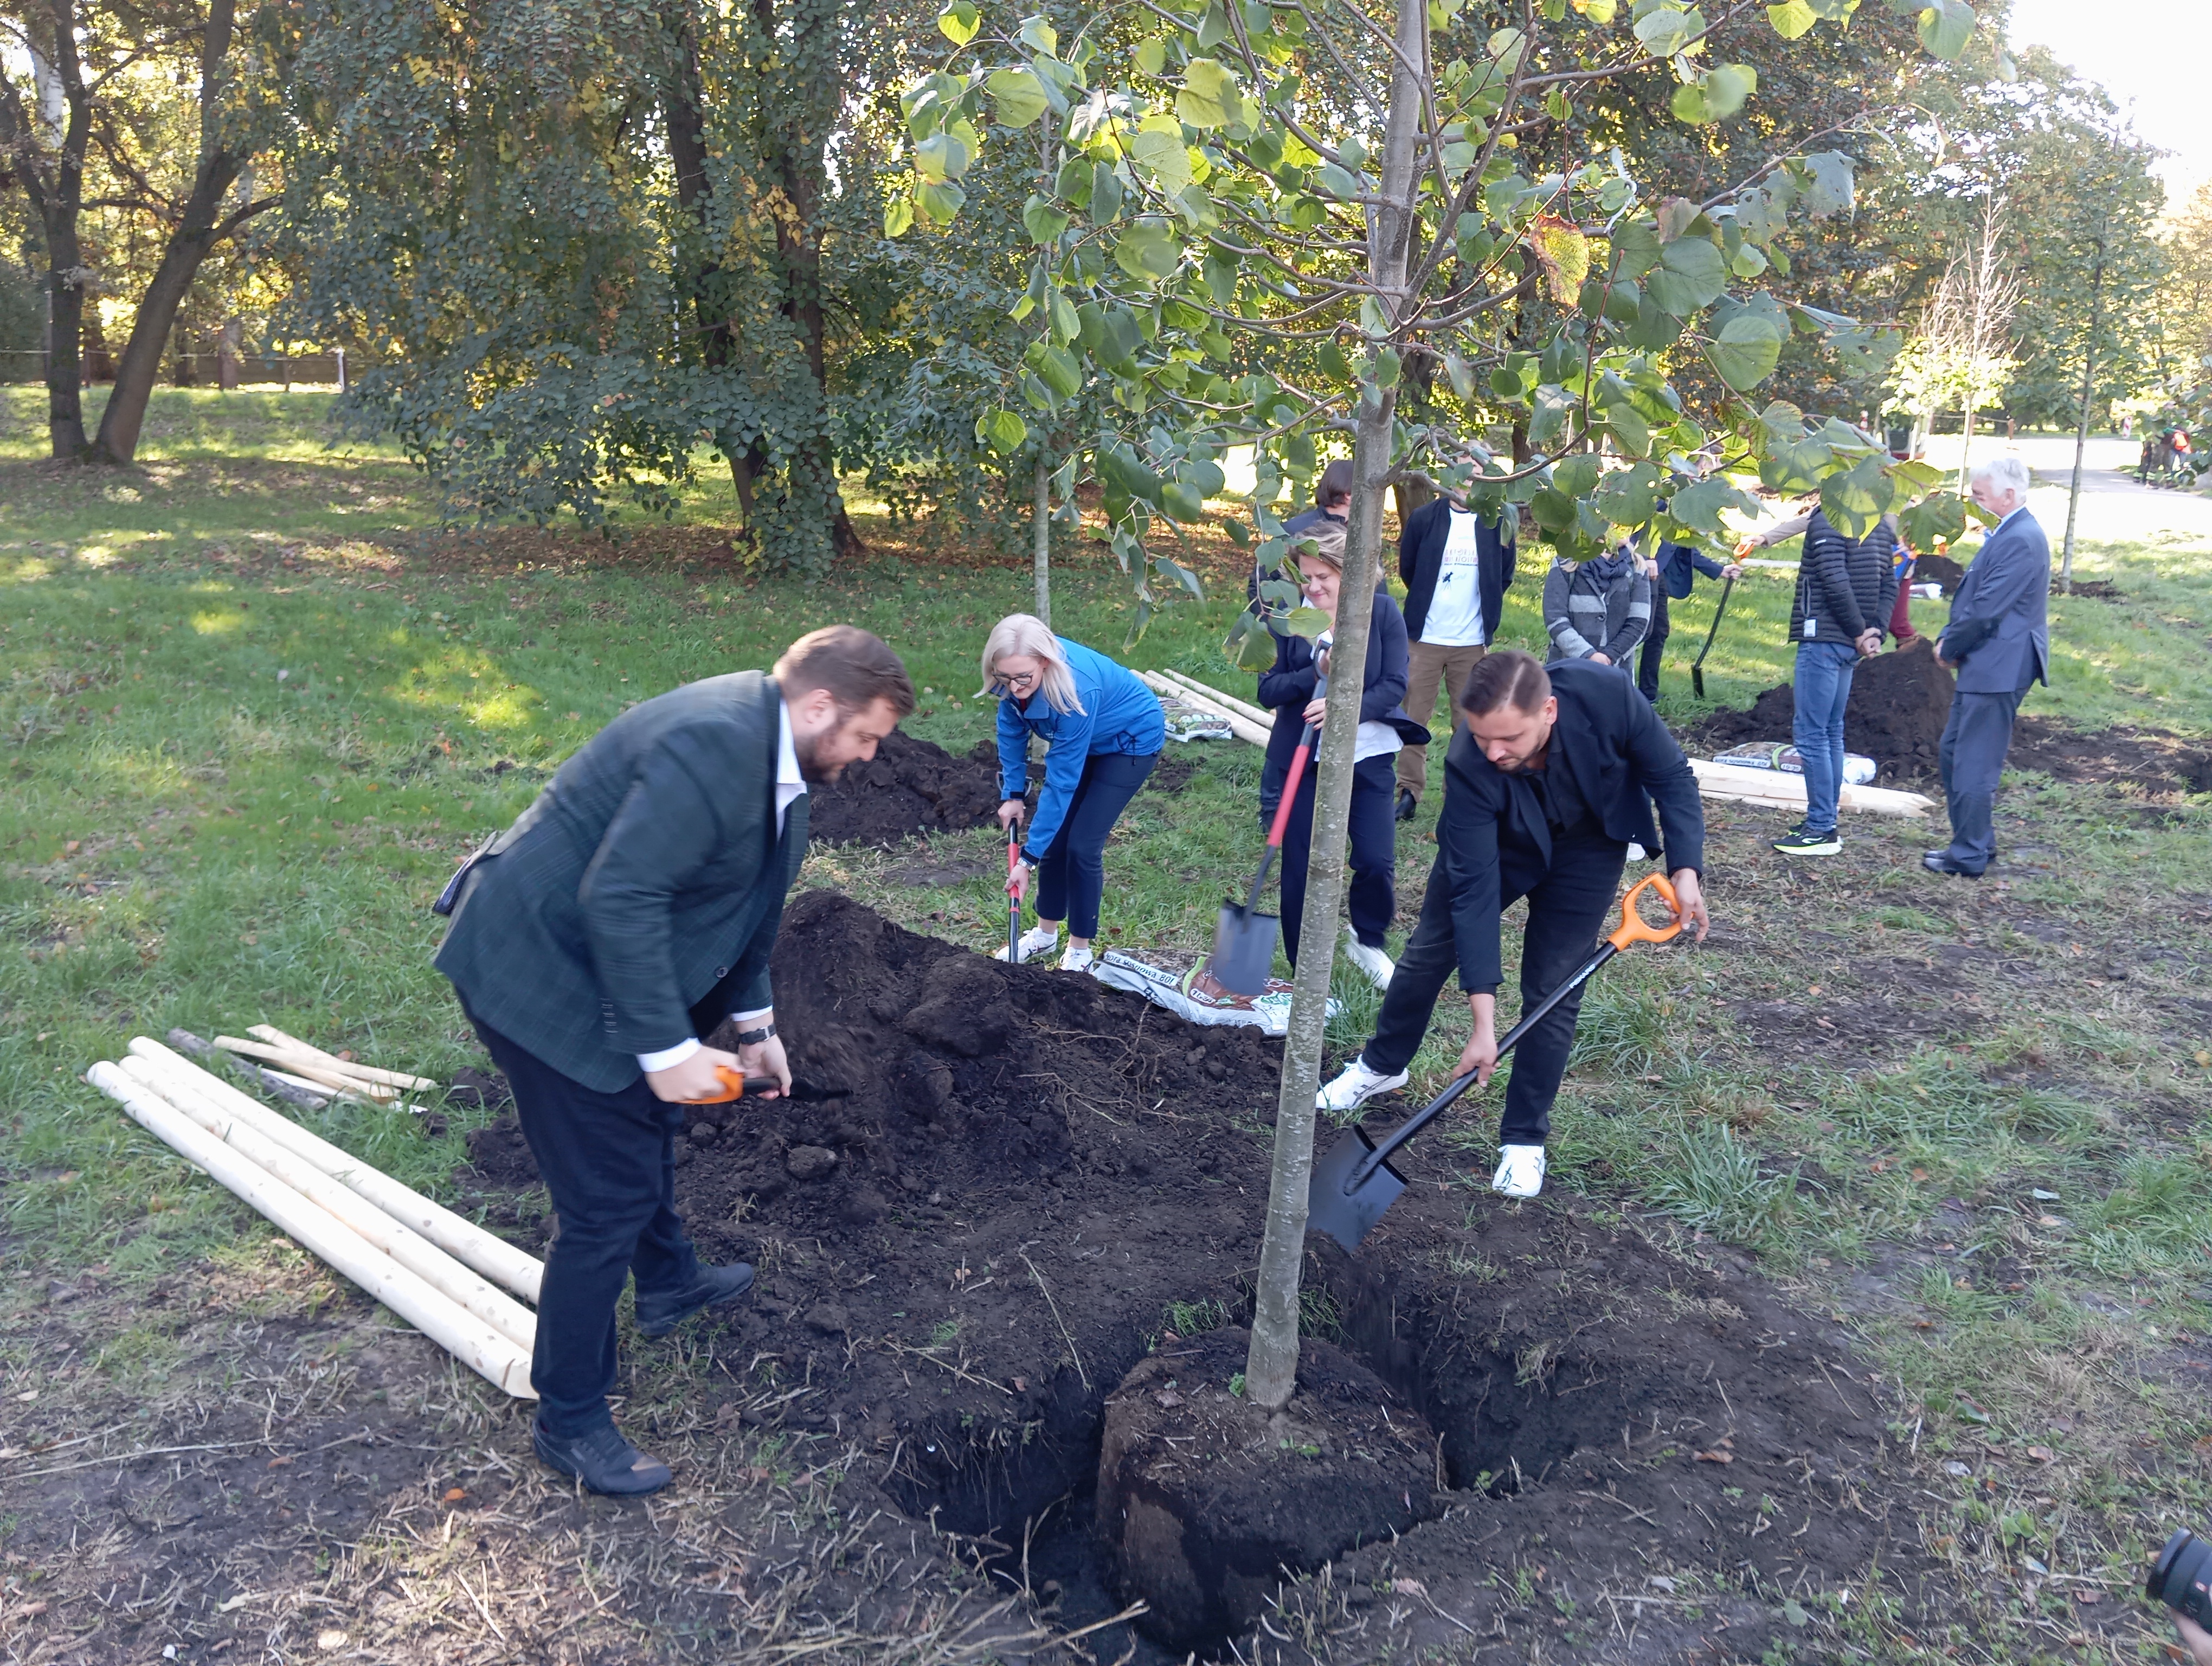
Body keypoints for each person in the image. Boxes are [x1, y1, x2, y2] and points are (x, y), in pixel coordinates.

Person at [433, 626, 914, 1495]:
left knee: (642, 1124)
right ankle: (570, 1417)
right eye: (868, 734)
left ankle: (669, 1284)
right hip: (535, 968)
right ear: (818, 707)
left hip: (590, 953)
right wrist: (663, 1050)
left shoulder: (783, 760)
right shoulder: (711, 746)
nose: (874, 754)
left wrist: (755, 1024)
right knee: (603, 1200)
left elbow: (754, 900)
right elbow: (621, 895)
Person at [1317, 650, 1707, 1197]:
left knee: (1556, 985)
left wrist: (1685, 869)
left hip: (1590, 847)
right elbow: (1474, 897)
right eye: (1482, 738)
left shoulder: (1608, 694)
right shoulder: (1470, 761)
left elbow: (1671, 776)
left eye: (1509, 740)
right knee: (1430, 951)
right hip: (1496, 847)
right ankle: (1383, 1065)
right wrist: (1483, 1024)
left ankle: (1524, 1140)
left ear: (1549, 710)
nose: (1494, 752)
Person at [1246, 522, 1422, 989]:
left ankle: (1367, 939)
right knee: (1299, 861)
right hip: (1302, 762)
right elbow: (1268, 690)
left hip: (1368, 757)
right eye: (1307, 575)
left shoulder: (1381, 613)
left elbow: (1394, 685)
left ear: (1353, 574)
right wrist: (1313, 671)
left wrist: (1346, 709)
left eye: (1325, 576)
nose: (1314, 586)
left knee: (1376, 859)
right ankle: (1301, 960)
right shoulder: (1286, 620)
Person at [987, 616, 1165, 971]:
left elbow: (1062, 780)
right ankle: (1044, 934)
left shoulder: (1076, 689)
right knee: (1054, 839)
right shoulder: (1011, 680)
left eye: (1024, 677)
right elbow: (1011, 733)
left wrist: (1026, 860)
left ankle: (1080, 949)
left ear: (1045, 662)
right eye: (1006, 678)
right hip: (1087, 739)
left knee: (1082, 845)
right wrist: (1013, 795)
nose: (1015, 686)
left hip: (1129, 742)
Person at [1926, 456, 2048, 878]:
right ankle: (1977, 841)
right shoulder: (2011, 531)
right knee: (1955, 753)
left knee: (1971, 760)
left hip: (2001, 664)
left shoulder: (2020, 537)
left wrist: (1949, 645)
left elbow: (1986, 611)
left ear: (2009, 495)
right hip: (1992, 662)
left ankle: (1970, 854)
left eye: (1980, 494)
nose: (1974, 499)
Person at [1771, 508, 1898, 857]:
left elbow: (1833, 578)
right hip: (1850, 644)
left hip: (1824, 640)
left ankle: (1820, 828)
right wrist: (1875, 632)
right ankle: (1824, 822)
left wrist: (1861, 631)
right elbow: (1891, 582)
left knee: (1813, 735)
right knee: (1830, 732)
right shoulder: (1879, 522)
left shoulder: (1829, 518)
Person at [1394, 491, 1517, 821]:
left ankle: (1461, 795)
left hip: (1472, 642)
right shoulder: (1424, 518)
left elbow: (1503, 575)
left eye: (1478, 472)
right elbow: (1409, 569)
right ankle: (1408, 792)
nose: (1469, 482)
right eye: (1461, 470)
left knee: (1469, 723)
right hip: (1425, 637)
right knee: (1412, 718)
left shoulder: (1498, 521)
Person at [1637, 536, 1744, 705]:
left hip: (1658, 573)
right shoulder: (1659, 509)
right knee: (1632, 632)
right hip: (1637, 568)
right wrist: (1647, 558)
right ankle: (1617, 690)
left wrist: (1718, 570)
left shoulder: (1681, 513)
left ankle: (1647, 694)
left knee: (1658, 632)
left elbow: (1682, 542)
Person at [1542, 540, 1651, 670]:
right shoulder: (1566, 562)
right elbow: (1555, 618)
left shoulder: (1637, 566)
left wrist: (1609, 657)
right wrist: (1588, 655)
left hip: (1615, 674)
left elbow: (1638, 622)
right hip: (1565, 670)